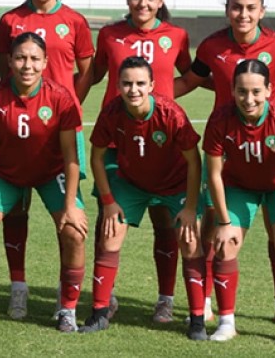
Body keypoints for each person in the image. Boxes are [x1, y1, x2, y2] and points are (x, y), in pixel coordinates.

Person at [175, 0, 275, 323]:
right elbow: (188, 82)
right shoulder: (212, 45)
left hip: (270, 150)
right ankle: (203, 302)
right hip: (227, 150)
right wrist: (147, 95)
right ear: (227, 9)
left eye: (250, 8)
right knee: (214, 229)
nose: (242, 14)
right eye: (236, 7)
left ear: (262, 11)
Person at [0, 32, 87, 332]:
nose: (27, 65)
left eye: (34, 59)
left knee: (74, 231)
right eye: (20, 58)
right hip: (6, 174)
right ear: (9, 61)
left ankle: (67, 309)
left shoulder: (60, 97)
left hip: (51, 173)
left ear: (45, 62)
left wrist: (70, 205)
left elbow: (72, 156)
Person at [0, 0, 94, 319]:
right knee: (16, 209)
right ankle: (17, 288)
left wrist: (70, 103)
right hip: (17, 128)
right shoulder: (10, 21)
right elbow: (1, 71)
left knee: (67, 217)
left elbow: (89, 69)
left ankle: (64, 298)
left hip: (61, 133)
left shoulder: (75, 21)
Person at [91, 0, 192, 323]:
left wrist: (162, 96)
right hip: (118, 138)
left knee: (165, 223)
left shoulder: (177, 35)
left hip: (162, 139)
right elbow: (94, 75)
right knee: (109, 220)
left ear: (161, 1)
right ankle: (107, 296)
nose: (143, 3)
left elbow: (192, 75)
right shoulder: (109, 35)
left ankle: (165, 299)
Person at [81, 57, 205, 339]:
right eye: (126, 83)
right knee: (109, 234)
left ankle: (197, 319)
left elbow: (194, 163)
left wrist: (191, 207)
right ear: (118, 85)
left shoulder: (170, 113)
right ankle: (99, 312)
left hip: (175, 185)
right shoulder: (112, 112)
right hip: (132, 184)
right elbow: (97, 158)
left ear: (151, 85)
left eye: (139, 83)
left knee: (189, 240)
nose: (133, 89)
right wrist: (109, 201)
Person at [203, 59, 275, 346]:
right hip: (240, 186)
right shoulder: (220, 119)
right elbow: (213, 175)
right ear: (233, 90)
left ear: (269, 90)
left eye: (256, 92)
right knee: (224, 243)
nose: (248, 99)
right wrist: (224, 223)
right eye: (241, 92)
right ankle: (226, 322)